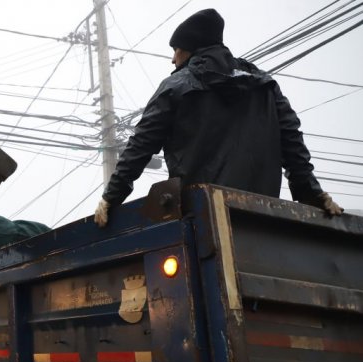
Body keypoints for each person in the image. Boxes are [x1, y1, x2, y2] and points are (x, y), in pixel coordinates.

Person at [94, 8, 343, 227]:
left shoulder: (175, 86)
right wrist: (312, 193)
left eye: (176, 50)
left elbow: (141, 145)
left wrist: (110, 198)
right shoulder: (264, 84)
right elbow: (292, 144)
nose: (172, 58)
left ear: (189, 50)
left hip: (199, 219)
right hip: (260, 219)